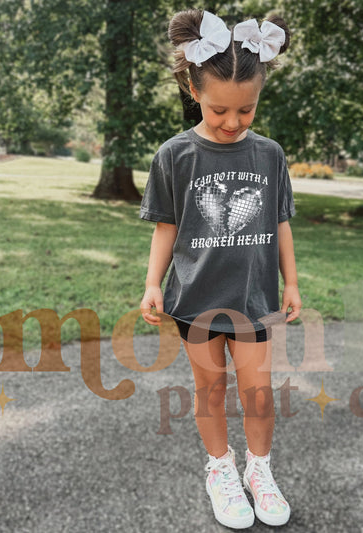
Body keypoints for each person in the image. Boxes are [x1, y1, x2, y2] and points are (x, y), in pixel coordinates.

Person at [139, 9, 301, 529]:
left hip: (253, 299)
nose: (232, 122)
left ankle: (260, 470)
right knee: (210, 389)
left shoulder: (271, 155)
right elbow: (165, 226)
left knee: (257, 390)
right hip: (196, 298)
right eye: (218, 111)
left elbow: (279, 223)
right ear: (192, 86)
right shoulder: (175, 154)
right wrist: (150, 284)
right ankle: (220, 469)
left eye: (246, 111)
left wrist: (291, 282)